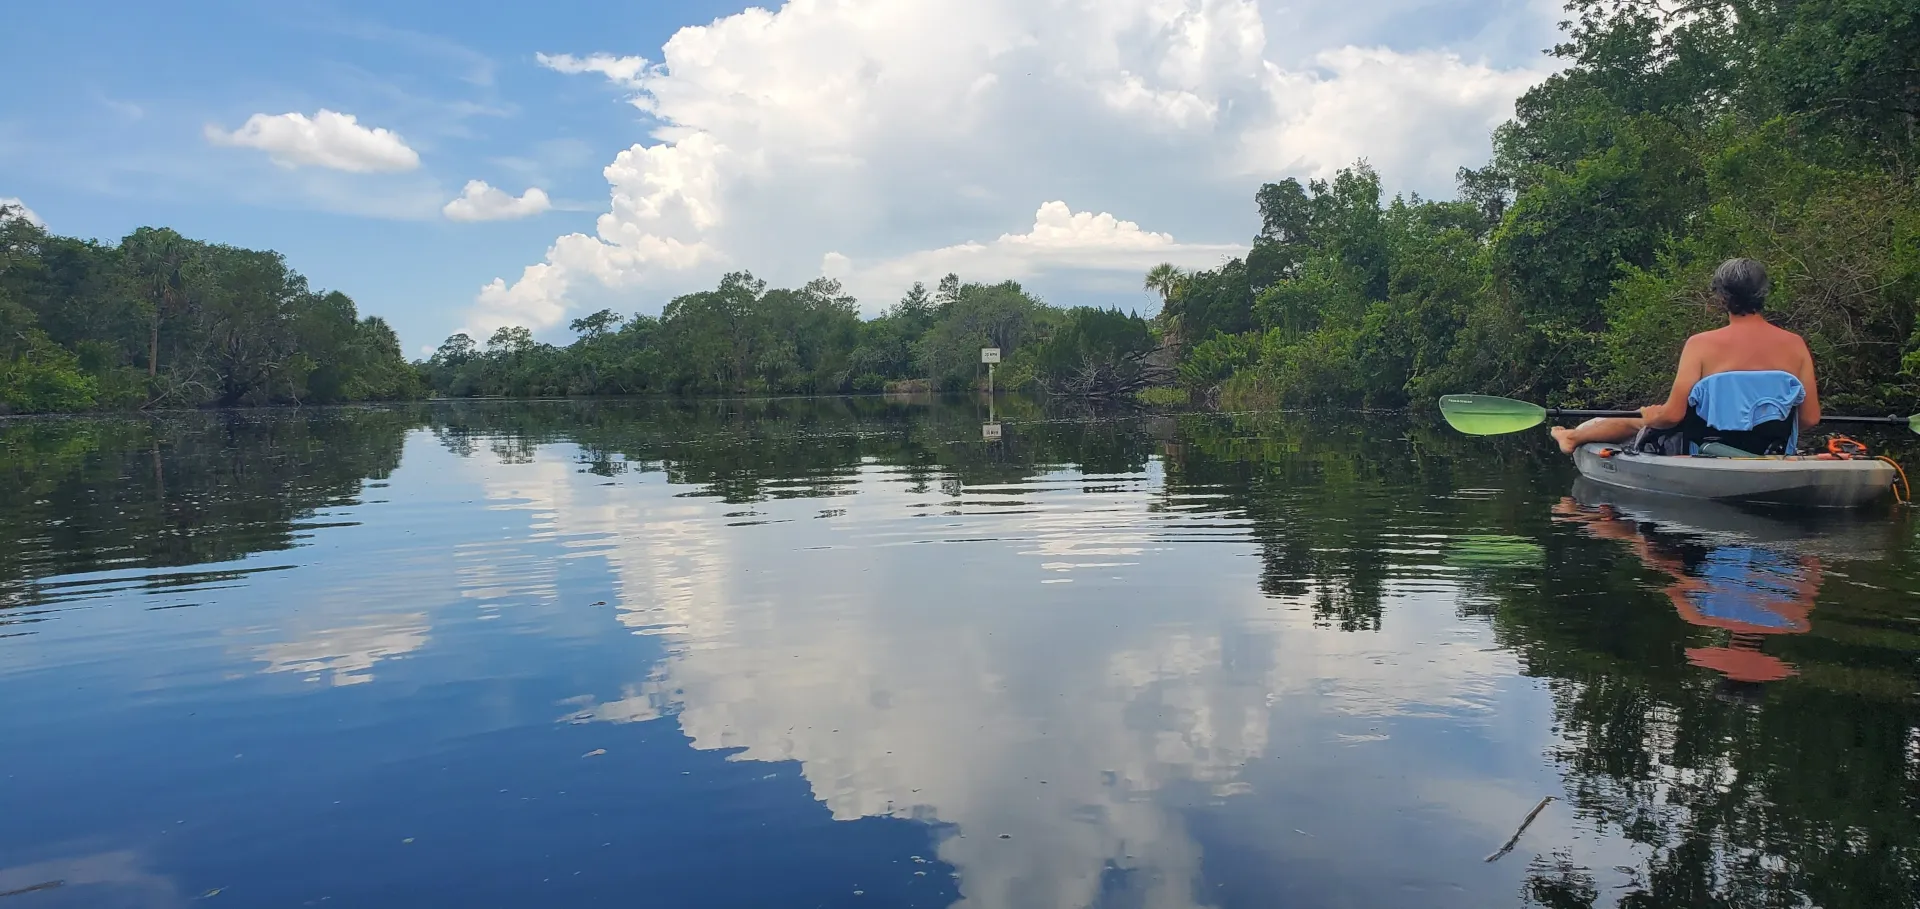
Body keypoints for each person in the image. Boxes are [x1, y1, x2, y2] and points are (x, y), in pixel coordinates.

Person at [1551, 258, 1822, 455]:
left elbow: (1672, 416)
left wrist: (1651, 416)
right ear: (1763, 294)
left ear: (1722, 298)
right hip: (1769, 453)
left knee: (1643, 417)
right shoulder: (1795, 345)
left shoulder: (1700, 345)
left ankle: (1572, 437)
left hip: (1705, 452)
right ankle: (1571, 436)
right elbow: (1809, 419)